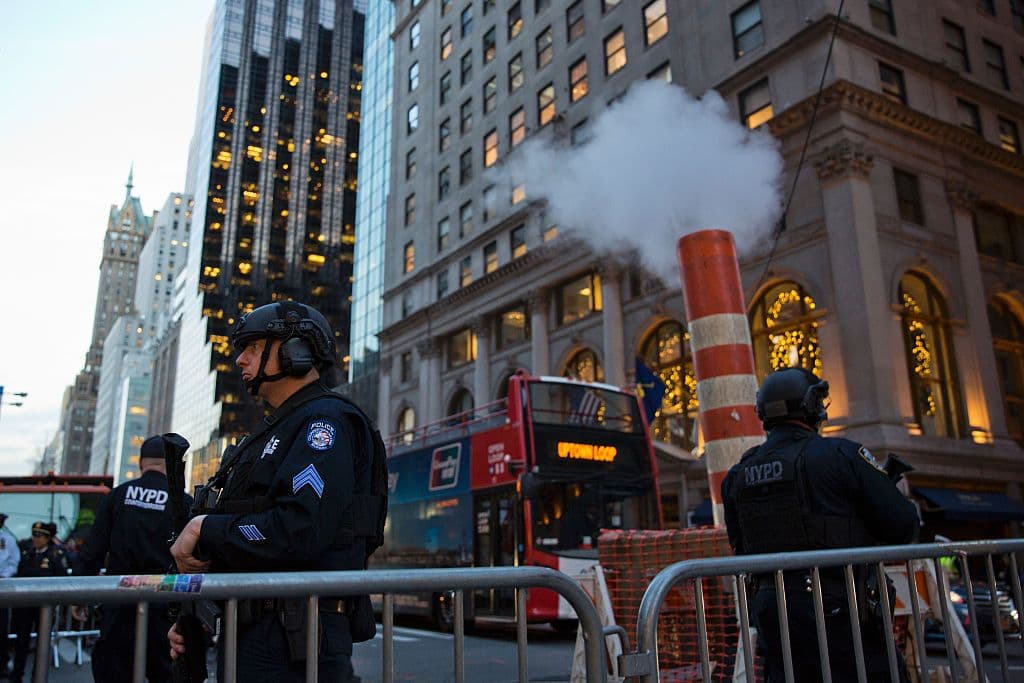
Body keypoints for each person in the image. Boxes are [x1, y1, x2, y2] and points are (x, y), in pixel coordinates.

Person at [168, 301, 383, 682]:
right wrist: (198, 613)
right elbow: (251, 536)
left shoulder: (324, 422)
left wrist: (205, 529)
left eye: (252, 348)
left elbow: (299, 529)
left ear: (294, 350)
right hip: (256, 632)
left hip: (294, 641)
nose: (240, 360)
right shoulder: (273, 431)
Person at [721, 368, 920, 683]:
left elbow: (741, 547)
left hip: (775, 614)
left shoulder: (739, 474)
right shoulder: (842, 455)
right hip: (842, 613)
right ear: (812, 405)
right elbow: (903, 526)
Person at [74, 435, 190, 683]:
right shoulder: (183, 503)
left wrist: (79, 595)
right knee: (166, 673)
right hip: (165, 607)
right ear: (171, 467)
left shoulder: (118, 496)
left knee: (114, 672)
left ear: (140, 464)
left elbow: (93, 549)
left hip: (120, 602)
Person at [10, 522, 69, 681]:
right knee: (22, 642)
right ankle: (17, 675)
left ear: (48, 538)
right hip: (25, 605)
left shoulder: (55, 556)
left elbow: (62, 579)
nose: (36, 539)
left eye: (40, 536)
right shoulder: (26, 553)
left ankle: (38, 676)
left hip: (44, 607)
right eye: (34, 535)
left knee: (42, 643)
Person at [0, 513, 19, 676]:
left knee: (1, 628)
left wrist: (4, 575)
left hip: (1, 587)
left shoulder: (8, 540)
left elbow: (14, 562)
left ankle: (2, 663)